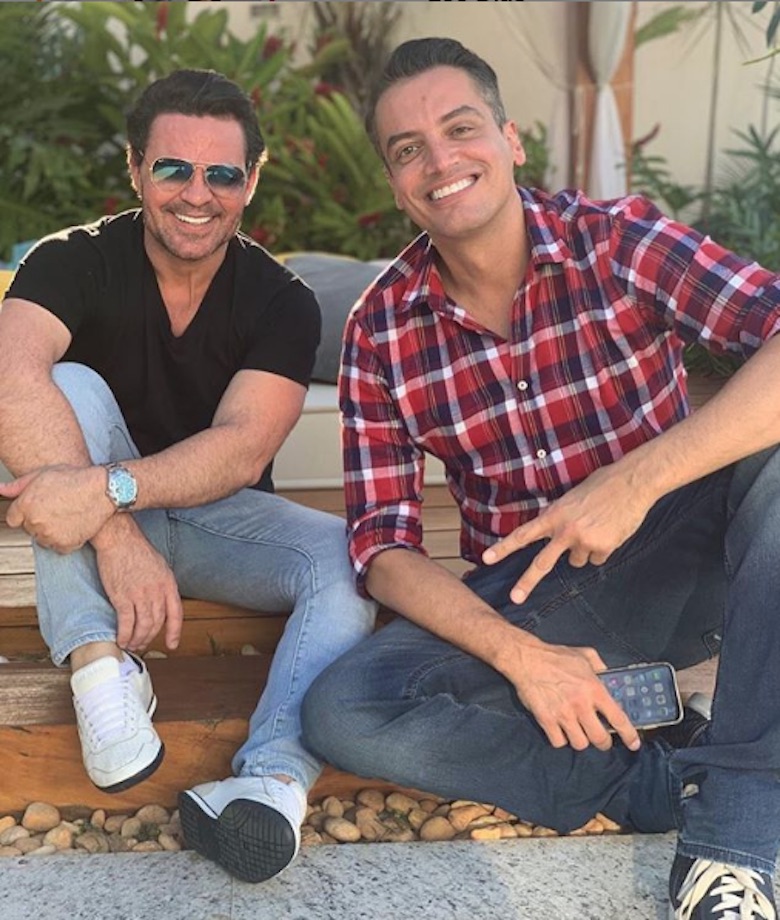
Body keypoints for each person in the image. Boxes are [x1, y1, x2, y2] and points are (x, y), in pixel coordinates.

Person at [300, 37, 780, 919]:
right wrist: (523, 658)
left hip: (687, 557)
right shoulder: (381, 331)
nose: (440, 160)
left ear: (510, 139)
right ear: (395, 182)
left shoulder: (618, 241)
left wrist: (634, 482)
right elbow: (382, 548)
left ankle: (738, 837)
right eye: (408, 149)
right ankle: (662, 780)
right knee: (345, 710)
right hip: (537, 599)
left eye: (460, 128)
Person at [0, 68, 376, 885]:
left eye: (222, 174)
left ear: (252, 179)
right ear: (136, 169)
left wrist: (108, 494)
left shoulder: (282, 300)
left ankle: (271, 780)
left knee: (351, 560)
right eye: (173, 168)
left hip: (214, 518)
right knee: (66, 386)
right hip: (92, 525)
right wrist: (113, 532)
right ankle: (99, 667)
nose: (197, 194)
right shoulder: (70, 261)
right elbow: (8, 376)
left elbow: (241, 449)